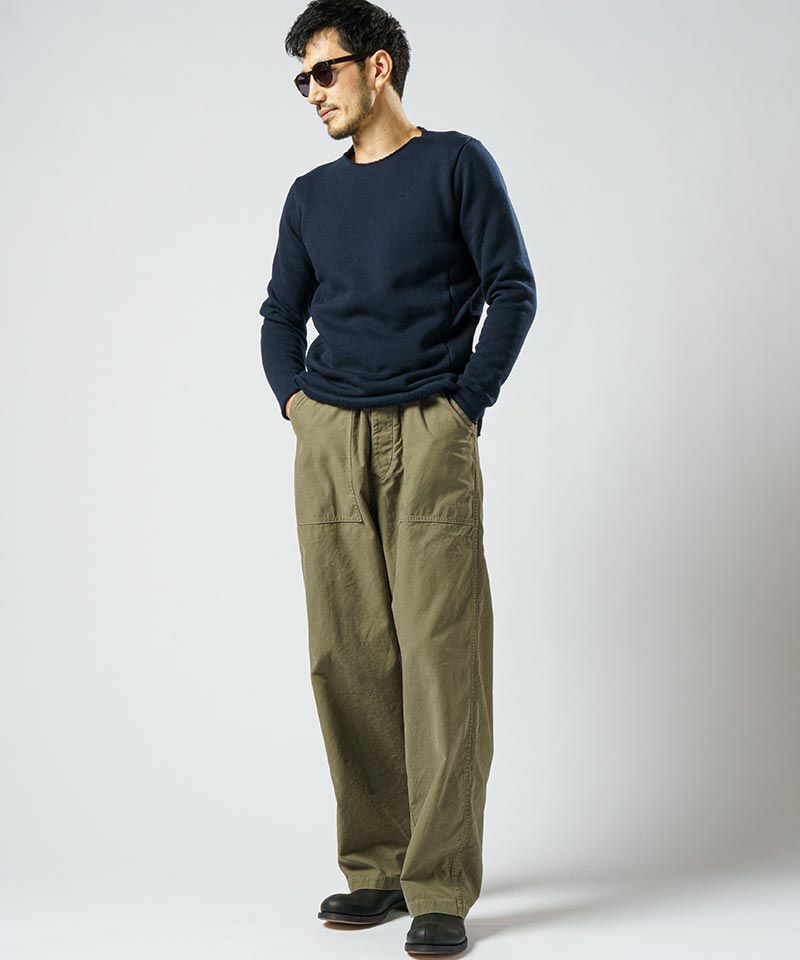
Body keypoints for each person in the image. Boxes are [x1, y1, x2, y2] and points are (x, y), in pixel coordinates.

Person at [259, 1, 536, 954]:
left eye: (324, 71)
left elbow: (512, 286)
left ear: (378, 66)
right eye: (302, 79)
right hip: (330, 436)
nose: (312, 92)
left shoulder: (455, 164)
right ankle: (375, 870)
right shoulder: (310, 196)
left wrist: (465, 406)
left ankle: (441, 884)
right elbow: (278, 313)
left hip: (429, 429)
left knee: (440, 654)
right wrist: (297, 405)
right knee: (347, 654)